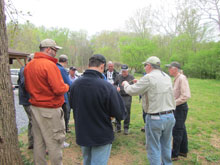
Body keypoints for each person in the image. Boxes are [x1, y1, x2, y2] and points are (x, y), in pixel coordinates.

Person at [69, 54, 127, 165]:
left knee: (87, 161)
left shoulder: (75, 85)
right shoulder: (107, 87)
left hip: (83, 132)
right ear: (102, 66)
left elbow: (72, 105)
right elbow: (120, 113)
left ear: (88, 65)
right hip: (101, 134)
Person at [122, 56, 176, 165]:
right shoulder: (166, 76)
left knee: (153, 148)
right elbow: (152, 89)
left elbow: (132, 91)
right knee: (166, 145)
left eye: (145, 65)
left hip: (156, 118)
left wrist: (125, 84)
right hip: (170, 116)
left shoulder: (148, 77)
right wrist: (140, 83)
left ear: (149, 66)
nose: (144, 67)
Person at [24, 39, 69, 165]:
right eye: (55, 50)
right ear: (48, 49)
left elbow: (27, 87)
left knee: (39, 142)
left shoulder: (29, 65)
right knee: (55, 142)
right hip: (50, 109)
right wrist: (67, 86)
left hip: (35, 107)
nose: (56, 53)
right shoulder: (49, 65)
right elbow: (59, 89)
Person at [166, 61, 191, 161]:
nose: (168, 70)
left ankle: (175, 154)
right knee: (182, 129)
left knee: (177, 130)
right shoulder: (176, 79)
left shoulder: (181, 78)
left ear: (175, 69)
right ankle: (183, 151)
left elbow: (185, 96)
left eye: (170, 68)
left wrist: (173, 104)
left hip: (180, 108)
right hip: (178, 107)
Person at [17, 53, 34, 149]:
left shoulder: (24, 69)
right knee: (34, 121)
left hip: (27, 99)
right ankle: (33, 143)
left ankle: (31, 143)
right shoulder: (25, 70)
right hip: (28, 100)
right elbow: (24, 84)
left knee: (32, 121)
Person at [114, 64, 135, 135]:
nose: (124, 73)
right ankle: (118, 126)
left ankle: (126, 128)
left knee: (127, 111)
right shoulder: (118, 76)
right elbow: (114, 84)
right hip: (119, 96)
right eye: (123, 71)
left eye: (125, 71)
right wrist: (116, 87)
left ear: (127, 71)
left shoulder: (131, 77)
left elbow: (134, 86)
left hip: (127, 96)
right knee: (118, 110)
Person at [57, 54, 72, 133]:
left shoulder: (54, 67)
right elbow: (69, 83)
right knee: (66, 114)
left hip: (56, 97)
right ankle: (64, 130)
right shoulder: (62, 69)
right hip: (63, 97)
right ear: (66, 61)